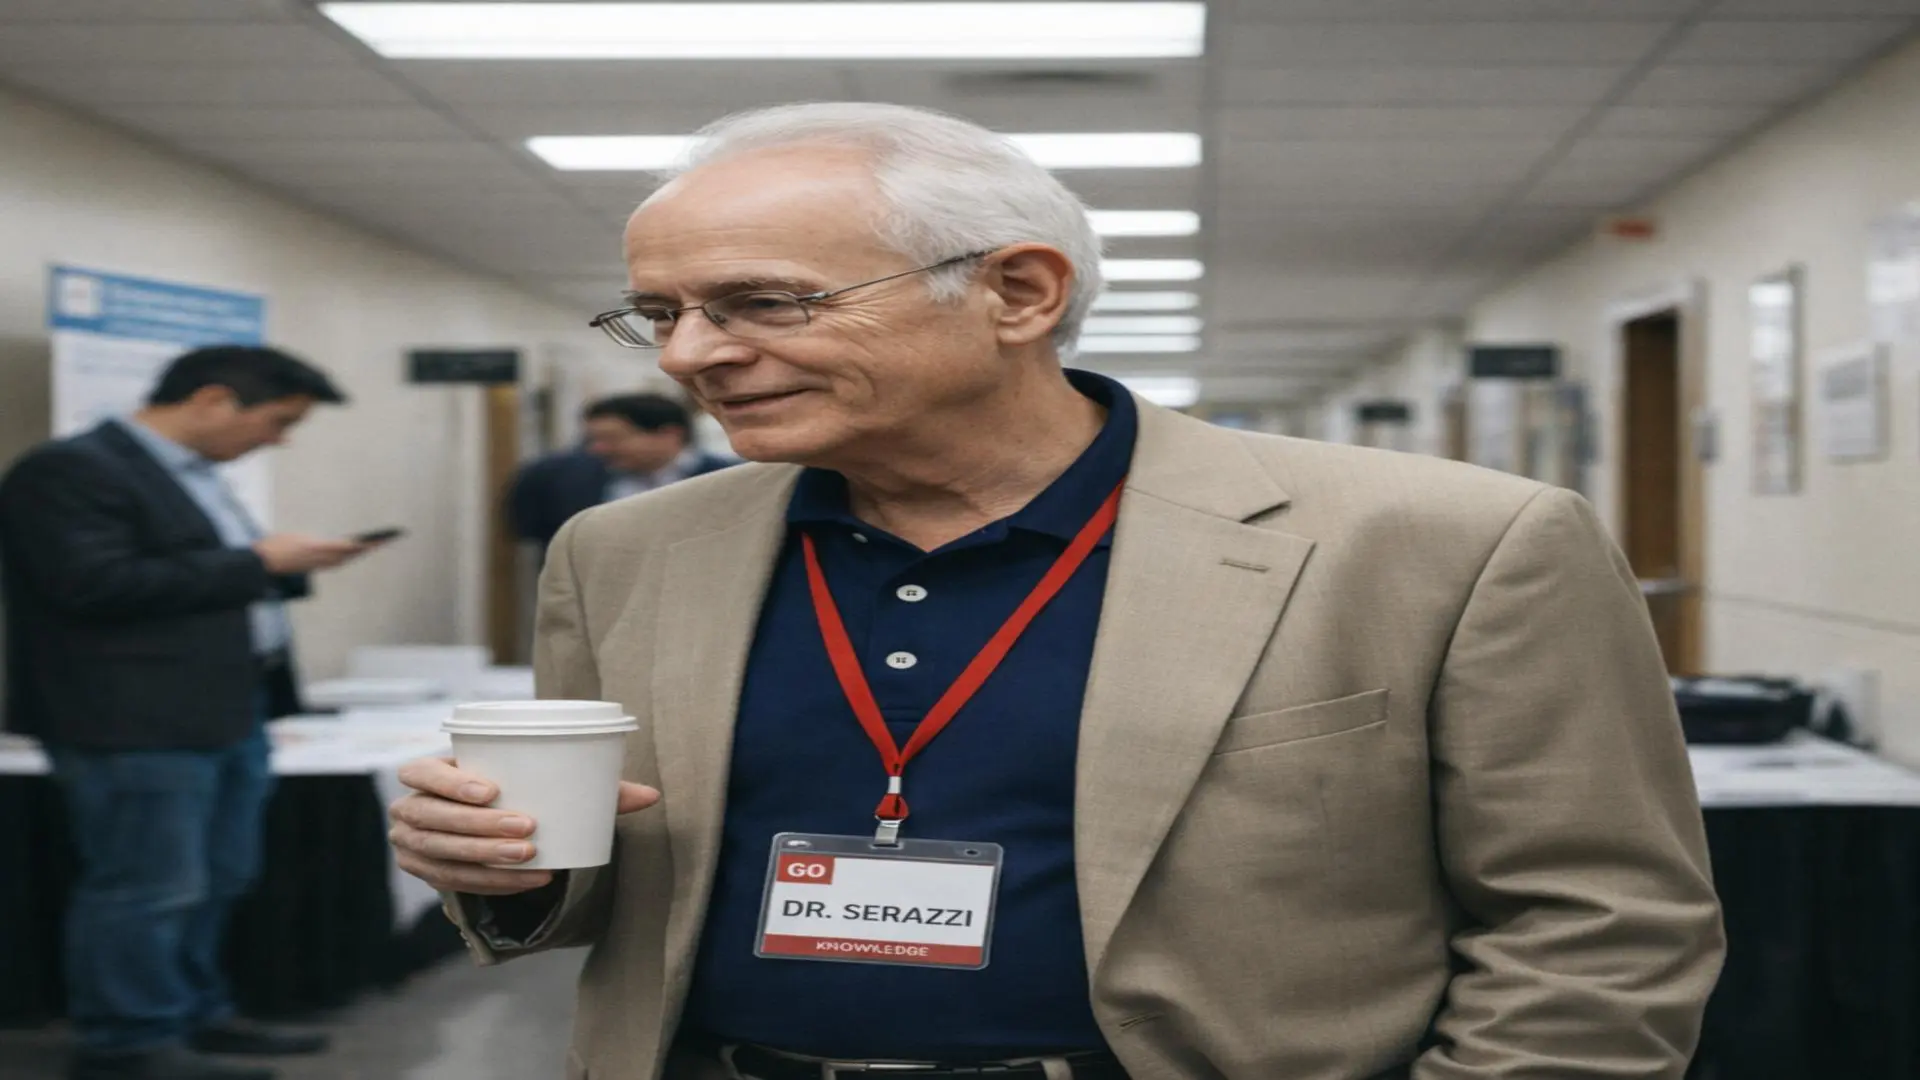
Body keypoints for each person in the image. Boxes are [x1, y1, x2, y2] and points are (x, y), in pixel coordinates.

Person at [389, 103, 1724, 1080]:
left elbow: (1597, 929)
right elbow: (605, 890)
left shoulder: (1449, 545)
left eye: (760, 303)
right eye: (660, 312)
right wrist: (505, 871)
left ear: (1019, 293)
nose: (690, 356)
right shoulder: (624, 553)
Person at [0, 345, 383, 1080]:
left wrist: (287, 567)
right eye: (277, 422)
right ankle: (128, 1041)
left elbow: (199, 576)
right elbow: (90, 583)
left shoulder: (196, 476)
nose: (279, 441)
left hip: (227, 707)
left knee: (218, 876)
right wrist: (261, 563)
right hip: (130, 720)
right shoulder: (68, 471)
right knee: (147, 886)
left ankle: (197, 1013)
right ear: (212, 400)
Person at [506, 392, 734, 547]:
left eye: (612, 439)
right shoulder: (557, 477)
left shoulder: (727, 480)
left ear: (669, 435)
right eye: (593, 439)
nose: (598, 449)